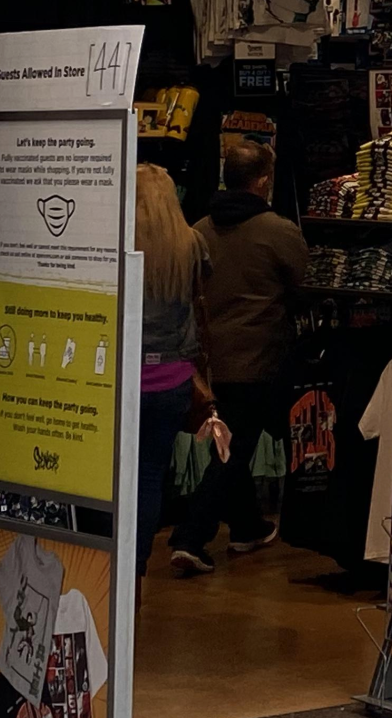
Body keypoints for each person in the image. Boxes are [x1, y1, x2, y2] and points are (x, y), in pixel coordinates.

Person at [170, 140, 308, 574]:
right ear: (264, 181)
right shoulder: (279, 231)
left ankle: (247, 526)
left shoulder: (199, 230)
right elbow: (303, 283)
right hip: (260, 358)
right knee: (238, 448)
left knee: (233, 446)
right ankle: (191, 538)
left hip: (209, 361)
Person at [131, 164, 221, 595]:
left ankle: (104, 561)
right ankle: (137, 566)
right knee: (150, 476)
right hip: (172, 380)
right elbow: (201, 294)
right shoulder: (191, 243)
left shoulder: (117, 242)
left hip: (121, 378)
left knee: (108, 474)